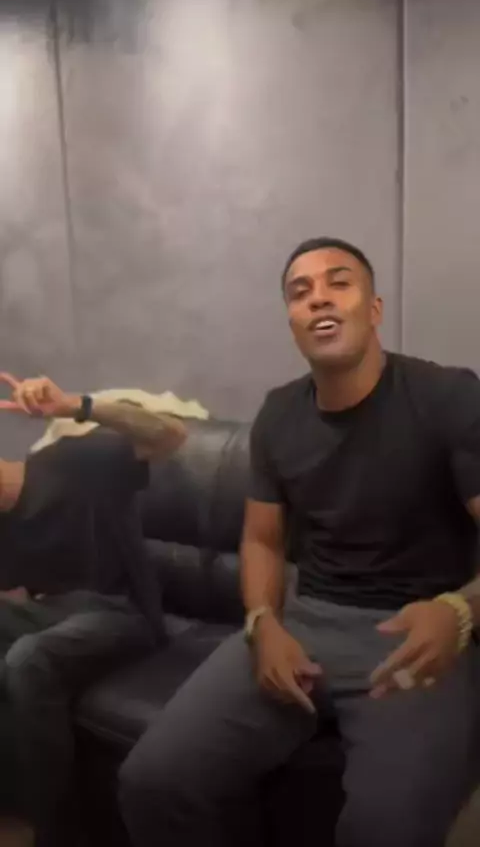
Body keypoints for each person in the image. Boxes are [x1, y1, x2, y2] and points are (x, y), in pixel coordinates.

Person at [119, 237, 480, 847]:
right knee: (153, 780)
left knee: (384, 831)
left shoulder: (447, 396)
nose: (319, 298)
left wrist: (460, 612)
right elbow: (261, 540)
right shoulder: (278, 414)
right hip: (305, 622)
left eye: (339, 282)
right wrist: (262, 622)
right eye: (300, 291)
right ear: (292, 321)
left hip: (417, 634)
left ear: (374, 308)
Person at [0, 373, 187, 846]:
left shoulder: (71, 461)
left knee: (28, 658)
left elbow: (169, 434)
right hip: (51, 614)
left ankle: (46, 830)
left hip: (122, 612)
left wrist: (75, 405)